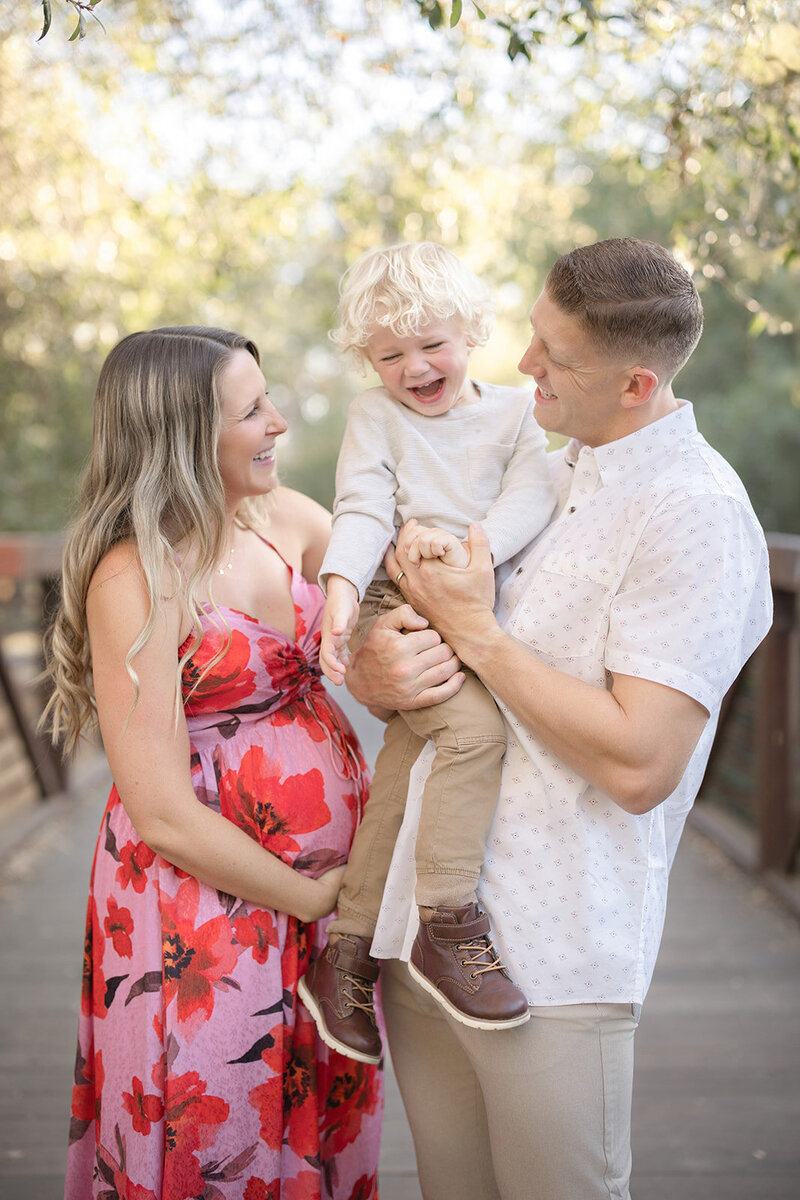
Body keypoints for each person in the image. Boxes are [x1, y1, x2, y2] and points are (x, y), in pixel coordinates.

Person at [346, 238, 773, 1200]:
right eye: (534, 338)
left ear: (634, 383)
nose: (525, 366)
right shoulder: (536, 468)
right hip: (426, 931)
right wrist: (380, 670)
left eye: (555, 357)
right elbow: (418, 666)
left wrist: (477, 634)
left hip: (555, 957)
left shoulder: (692, 511)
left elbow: (639, 766)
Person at [45, 327, 382, 1199]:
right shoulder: (138, 576)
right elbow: (157, 809)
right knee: (214, 1127)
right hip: (203, 907)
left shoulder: (290, 519)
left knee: (320, 1120)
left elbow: (389, 611)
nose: (277, 422)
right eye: (251, 410)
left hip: (331, 900)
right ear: (184, 434)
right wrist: (311, 894)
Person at [298, 243, 556, 1064]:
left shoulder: (518, 414)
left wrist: (470, 554)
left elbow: (534, 492)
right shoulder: (376, 417)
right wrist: (340, 593)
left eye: (430, 344)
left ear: (473, 330)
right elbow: (364, 505)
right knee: (475, 732)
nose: (413, 367)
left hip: (469, 589)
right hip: (399, 600)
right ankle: (446, 922)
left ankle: (345, 960)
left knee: (406, 769)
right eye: (389, 354)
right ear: (368, 360)